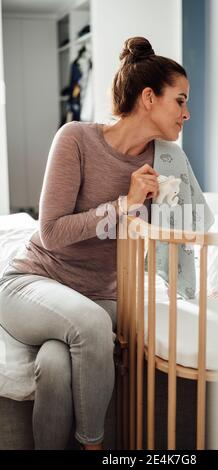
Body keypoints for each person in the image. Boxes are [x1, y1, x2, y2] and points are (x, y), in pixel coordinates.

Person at [0, 36, 190, 450]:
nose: (186, 113)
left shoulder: (168, 161)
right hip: (32, 283)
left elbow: (183, 234)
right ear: (148, 98)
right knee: (90, 325)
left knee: (54, 363)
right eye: (179, 100)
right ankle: (95, 448)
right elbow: (51, 231)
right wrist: (125, 204)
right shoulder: (76, 139)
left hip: (98, 295)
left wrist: (194, 283)